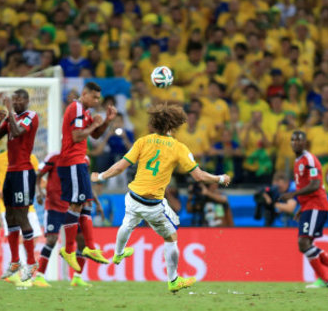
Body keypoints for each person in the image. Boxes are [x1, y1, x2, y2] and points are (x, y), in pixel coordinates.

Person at [90, 102, 231, 292]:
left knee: (128, 222)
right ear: (173, 125)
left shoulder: (143, 141)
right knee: (171, 237)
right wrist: (220, 178)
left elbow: (120, 166)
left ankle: (118, 254)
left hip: (133, 196)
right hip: (152, 204)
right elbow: (199, 176)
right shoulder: (178, 147)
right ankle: (173, 280)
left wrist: (100, 176)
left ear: (155, 123)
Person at [279, 131, 328, 289]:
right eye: (293, 140)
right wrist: (301, 207)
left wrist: (293, 194)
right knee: (306, 244)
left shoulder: (309, 159)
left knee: (303, 243)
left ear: (305, 143)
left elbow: (315, 184)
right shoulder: (298, 161)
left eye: (299, 140)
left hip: (316, 205)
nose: (296, 142)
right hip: (310, 206)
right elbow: (307, 186)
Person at [58, 82, 117, 271]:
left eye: (99, 98)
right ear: (84, 94)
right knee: (76, 204)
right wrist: (95, 126)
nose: (97, 101)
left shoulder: (84, 111)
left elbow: (95, 136)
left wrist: (106, 121)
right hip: (72, 161)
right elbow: (77, 136)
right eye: (95, 97)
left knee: (87, 204)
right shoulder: (75, 108)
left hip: (80, 161)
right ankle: (68, 249)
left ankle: (90, 247)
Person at [0, 89, 39, 281]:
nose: (17, 103)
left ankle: (31, 262)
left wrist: (10, 111)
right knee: (10, 217)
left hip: (23, 172)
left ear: (27, 101)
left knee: (21, 216)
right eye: (14, 100)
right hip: (10, 173)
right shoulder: (12, 118)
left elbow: (19, 132)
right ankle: (14, 261)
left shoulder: (30, 116)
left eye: (20, 100)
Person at [33, 152, 97, 288]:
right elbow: (38, 175)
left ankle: (77, 278)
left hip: (73, 208)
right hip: (54, 207)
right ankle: (39, 276)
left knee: (82, 242)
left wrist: (92, 199)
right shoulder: (53, 157)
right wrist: (38, 192)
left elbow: (85, 182)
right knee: (51, 240)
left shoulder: (84, 159)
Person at [0, 150, 42, 286]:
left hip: (28, 204)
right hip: (8, 206)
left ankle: (16, 273)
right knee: (21, 239)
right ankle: (22, 275)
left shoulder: (32, 158)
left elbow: (36, 177)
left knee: (34, 238)